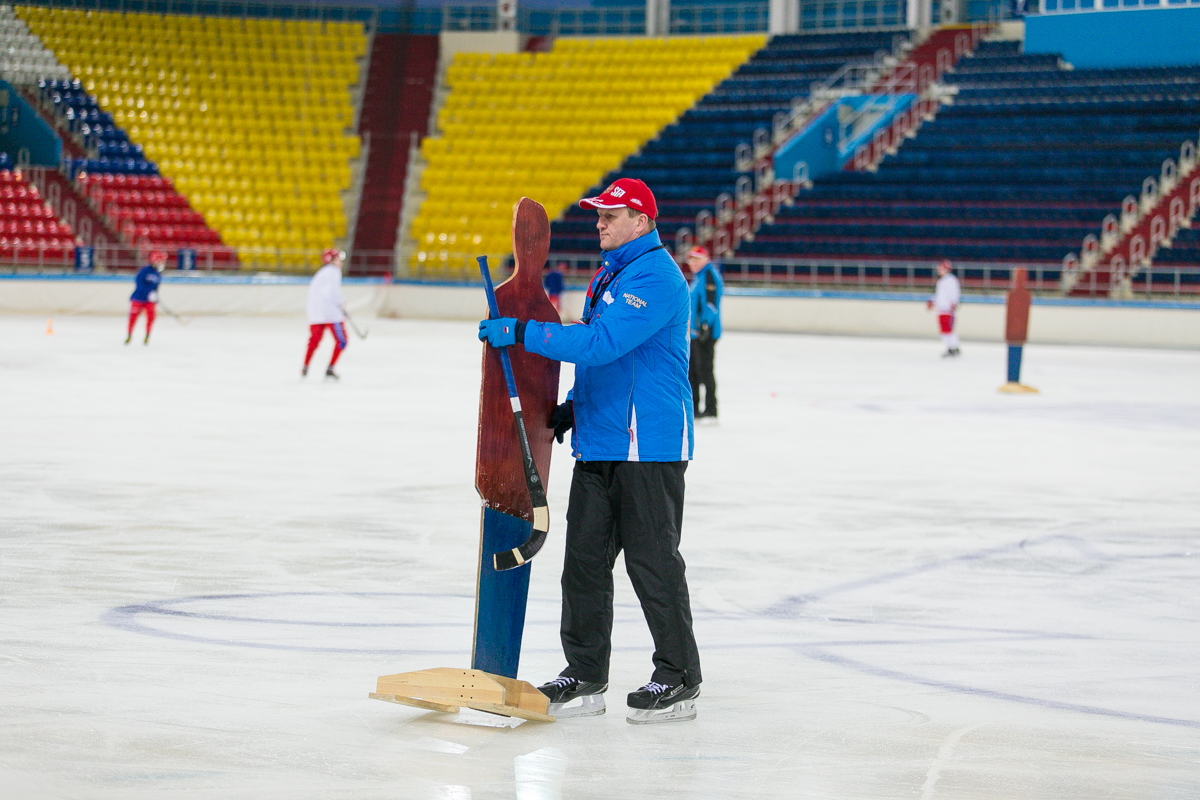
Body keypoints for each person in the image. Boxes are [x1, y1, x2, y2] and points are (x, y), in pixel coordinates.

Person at [477, 178, 701, 725]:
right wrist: (576, 402)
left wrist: (521, 332)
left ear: (642, 222)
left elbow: (602, 343)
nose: (599, 223)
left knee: (652, 566)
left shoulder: (656, 276)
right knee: (583, 566)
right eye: (598, 215)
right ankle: (584, 674)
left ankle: (679, 677)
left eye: (610, 215)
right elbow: (607, 356)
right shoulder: (611, 274)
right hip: (599, 443)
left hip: (646, 449)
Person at [685, 245, 723, 421]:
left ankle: (710, 408)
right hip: (694, 334)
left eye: (695, 259)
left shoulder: (708, 276)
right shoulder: (699, 277)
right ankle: (695, 407)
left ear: (705, 259)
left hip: (703, 334)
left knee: (705, 370)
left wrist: (705, 328)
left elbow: (710, 305)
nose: (692, 263)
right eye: (690, 260)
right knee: (693, 371)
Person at [303, 248, 348, 379]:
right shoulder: (334, 272)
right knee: (342, 341)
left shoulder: (321, 273)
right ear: (332, 260)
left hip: (316, 315)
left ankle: (305, 366)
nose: (341, 262)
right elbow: (330, 293)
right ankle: (331, 367)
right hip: (331, 315)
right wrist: (341, 304)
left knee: (314, 341)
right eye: (339, 259)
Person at [126, 249, 166, 345]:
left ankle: (147, 336)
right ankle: (129, 335)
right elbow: (139, 285)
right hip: (138, 298)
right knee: (133, 317)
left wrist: (155, 295)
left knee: (151, 318)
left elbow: (156, 287)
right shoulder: (144, 271)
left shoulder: (158, 274)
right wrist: (148, 293)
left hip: (150, 300)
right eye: (159, 261)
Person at [927, 259, 961, 357]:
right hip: (941, 309)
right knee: (944, 330)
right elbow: (939, 296)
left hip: (948, 309)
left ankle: (954, 347)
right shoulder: (941, 281)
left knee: (948, 330)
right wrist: (932, 301)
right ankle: (950, 347)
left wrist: (954, 303)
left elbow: (955, 293)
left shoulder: (951, 280)